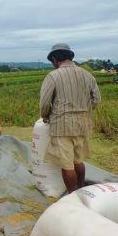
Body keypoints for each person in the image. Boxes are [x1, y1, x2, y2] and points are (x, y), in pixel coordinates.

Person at [40, 43, 101, 194]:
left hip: (62, 126)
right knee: (78, 160)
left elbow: (44, 103)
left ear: (55, 59)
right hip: (83, 125)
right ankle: (80, 190)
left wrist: (46, 116)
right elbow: (96, 100)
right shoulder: (87, 75)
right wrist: (84, 110)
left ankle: (72, 196)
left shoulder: (53, 76)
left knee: (67, 165)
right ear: (69, 57)